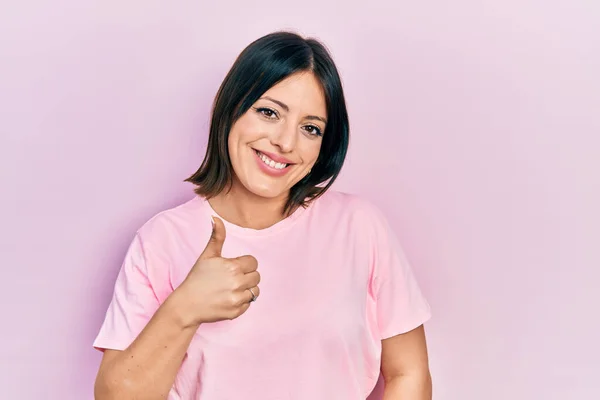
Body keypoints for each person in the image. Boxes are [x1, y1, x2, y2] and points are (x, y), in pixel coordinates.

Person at [93, 31, 432, 400]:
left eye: (310, 128)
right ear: (231, 108)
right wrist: (185, 308)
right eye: (269, 112)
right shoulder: (160, 241)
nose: (286, 143)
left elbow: (408, 372)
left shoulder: (360, 227)